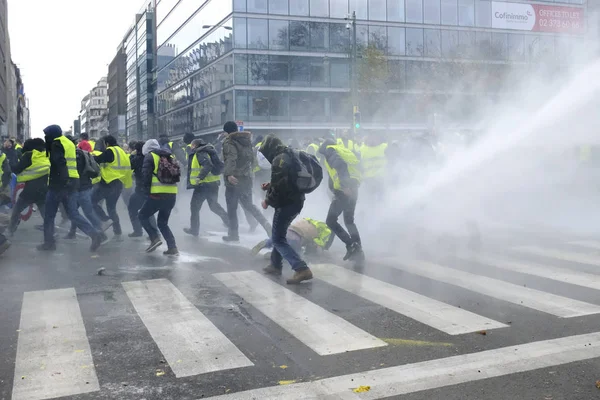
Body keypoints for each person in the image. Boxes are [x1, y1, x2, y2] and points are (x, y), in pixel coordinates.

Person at [38, 124, 104, 252]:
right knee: (73, 214)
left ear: (52, 134)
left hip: (59, 184)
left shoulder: (56, 143)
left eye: (47, 134)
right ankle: (94, 234)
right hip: (73, 182)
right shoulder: (67, 143)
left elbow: (59, 163)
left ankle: (49, 243)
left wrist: (62, 181)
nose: (46, 137)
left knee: (49, 214)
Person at [258, 135, 312, 284]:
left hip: (286, 203)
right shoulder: (289, 154)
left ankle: (301, 269)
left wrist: (267, 201)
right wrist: (270, 185)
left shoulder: (279, 160)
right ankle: (275, 264)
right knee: (279, 234)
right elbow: (287, 180)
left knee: (278, 239)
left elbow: (280, 186)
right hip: (296, 201)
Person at [221, 121, 271, 242]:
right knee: (249, 205)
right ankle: (267, 225)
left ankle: (233, 235)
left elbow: (231, 159)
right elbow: (252, 159)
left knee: (232, 207)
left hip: (234, 178)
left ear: (226, 132)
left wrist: (228, 174)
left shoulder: (229, 141)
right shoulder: (246, 140)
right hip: (247, 177)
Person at [319, 138, 364, 262]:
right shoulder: (343, 150)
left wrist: (344, 187)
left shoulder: (330, 150)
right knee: (349, 221)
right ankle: (358, 251)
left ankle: (351, 245)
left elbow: (340, 165)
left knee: (330, 220)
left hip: (344, 191)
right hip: (353, 188)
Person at [138, 139, 179, 255]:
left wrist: (146, 192)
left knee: (142, 215)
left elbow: (146, 176)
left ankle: (154, 238)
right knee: (162, 222)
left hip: (157, 193)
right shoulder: (169, 155)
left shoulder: (150, 157)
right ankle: (172, 247)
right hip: (172, 193)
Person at [64, 139, 107, 241]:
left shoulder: (75, 155)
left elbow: (74, 172)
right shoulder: (82, 154)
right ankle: (73, 232)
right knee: (79, 212)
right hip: (85, 186)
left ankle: (99, 233)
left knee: (76, 212)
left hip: (79, 188)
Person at [184, 138, 228, 237]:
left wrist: (200, 177)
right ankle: (230, 223)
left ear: (195, 145)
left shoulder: (200, 153)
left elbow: (207, 165)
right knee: (214, 206)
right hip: (213, 184)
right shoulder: (209, 151)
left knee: (194, 207)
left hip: (203, 185)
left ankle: (194, 229)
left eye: (191, 145)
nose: (191, 147)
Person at [92, 135, 132, 240]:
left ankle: (105, 220)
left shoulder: (110, 151)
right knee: (111, 208)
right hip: (119, 184)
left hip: (108, 183)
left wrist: (90, 156)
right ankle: (117, 230)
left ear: (107, 143)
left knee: (92, 201)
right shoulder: (122, 152)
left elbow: (98, 159)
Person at [9, 139, 49, 235]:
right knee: (45, 214)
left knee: (17, 210)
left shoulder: (29, 155)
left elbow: (17, 169)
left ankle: (10, 231)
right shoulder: (46, 155)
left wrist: (10, 162)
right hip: (44, 188)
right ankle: (51, 233)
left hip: (30, 189)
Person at [252, 217, 333, 256]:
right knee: (296, 255)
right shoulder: (325, 230)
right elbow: (319, 244)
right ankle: (276, 255)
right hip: (297, 238)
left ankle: (267, 243)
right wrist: (318, 248)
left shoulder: (309, 221)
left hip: (288, 230)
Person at [128, 141, 157, 237]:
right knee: (148, 209)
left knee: (132, 207)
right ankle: (154, 231)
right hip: (152, 188)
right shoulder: (151, 157)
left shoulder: (137, 158)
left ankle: (138, 230)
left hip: (141, 189)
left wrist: (132, 155)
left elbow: (130, 165)